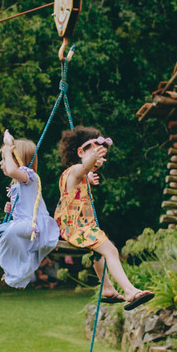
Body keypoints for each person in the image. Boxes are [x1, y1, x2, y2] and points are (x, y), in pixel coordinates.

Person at [55, 127, 153, 311]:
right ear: (80, 152)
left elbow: (82, 173)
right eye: (96, 155)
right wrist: (87, 168)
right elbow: (82, 168)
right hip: (76, 227)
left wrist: (89, 176)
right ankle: (130, 291)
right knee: (111, 250)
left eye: (102, 157)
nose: (100, 160)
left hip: (77, 226)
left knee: (99, 251)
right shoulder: (76, 170)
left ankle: (107, 288)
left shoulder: (78, 173)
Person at [0, 130, 60, 288]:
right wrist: (11, 210)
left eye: (4, 159)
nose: (1, 163)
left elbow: (13, 170)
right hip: (24, 223)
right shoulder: (18, 185)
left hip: (35, 225)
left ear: (18, 161)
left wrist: (7, 148)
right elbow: (25, 205)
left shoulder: (29, 176)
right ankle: (15, 271)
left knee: (9, 234)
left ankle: (18, 273)